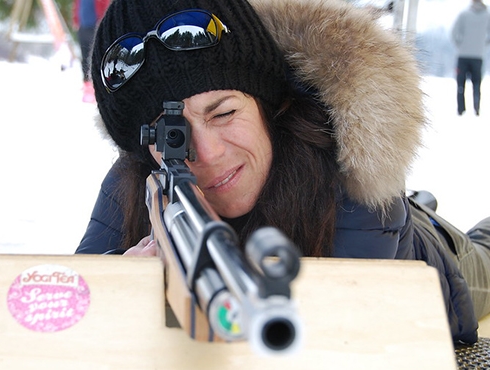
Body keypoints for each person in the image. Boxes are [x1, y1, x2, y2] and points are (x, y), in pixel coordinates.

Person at [76, 0, 490, 345]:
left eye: (223, 113)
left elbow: (341, 341)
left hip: (438, 263)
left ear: (267, 106)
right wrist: (119, 279)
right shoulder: (141, 181)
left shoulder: (344, 171)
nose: (208, 153)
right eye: (172, 136)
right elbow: (65, 317)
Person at [451, 0, 490, 116]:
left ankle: (461, 109)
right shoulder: (488, 15)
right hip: (478, 56)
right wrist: (483, 46)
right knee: (477, 84)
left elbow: (453, 33)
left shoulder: (464, 14)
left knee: (460, 85)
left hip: (463, 55)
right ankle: (476, 108)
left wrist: (460, 45)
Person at [72, 0, 110, 103]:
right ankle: (87, 86)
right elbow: (77, 7)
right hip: (83, 28)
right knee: (84, 58)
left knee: (95, 57)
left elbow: (105, 6)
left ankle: (97, 87)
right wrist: (76, 21)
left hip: (95, 27)